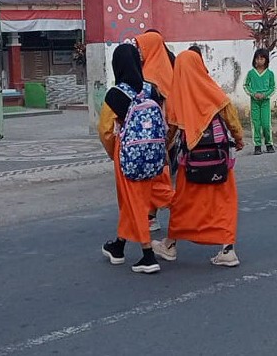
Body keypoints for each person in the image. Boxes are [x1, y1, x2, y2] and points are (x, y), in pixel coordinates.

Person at [151, 50, 245, 267]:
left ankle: (170, 244)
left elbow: (171, 131)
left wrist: (162, 151)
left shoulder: (177, 96)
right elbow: (231, 117)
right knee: (225, 202)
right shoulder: (212, 89)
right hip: (220, 160)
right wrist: (238, 140)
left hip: (191, 163)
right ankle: (228, 249)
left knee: (184, 203)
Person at [98, 44, 174, 274]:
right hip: (155, 154)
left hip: (129, 153)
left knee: (133, 201)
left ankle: (147, 255)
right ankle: (118, 246)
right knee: (150, 196)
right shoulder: (151, 89)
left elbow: (105, 130)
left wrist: (115, 153)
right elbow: (166, 119)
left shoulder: (115, 94)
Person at [134, 30, 176, 230]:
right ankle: (150, 216)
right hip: (158, 133)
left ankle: (180, 210)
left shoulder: (151, 75)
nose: (139, 52)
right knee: (153, 174)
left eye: (142, 47)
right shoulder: (160, 70)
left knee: (157, 176)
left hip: (155, 133)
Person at [243, 48, 276, 155]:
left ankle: (269, 144)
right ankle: (257, 145)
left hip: (265, 102)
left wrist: (265, 95)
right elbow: (246, 85)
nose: (259, 61)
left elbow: (273, 87)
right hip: (255, 102)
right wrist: (253, 94)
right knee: (256, 123)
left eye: (262, 58)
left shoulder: (270, 74)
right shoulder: (251, 73)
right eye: (257, 58)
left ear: (266, 60)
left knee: (266, 124)